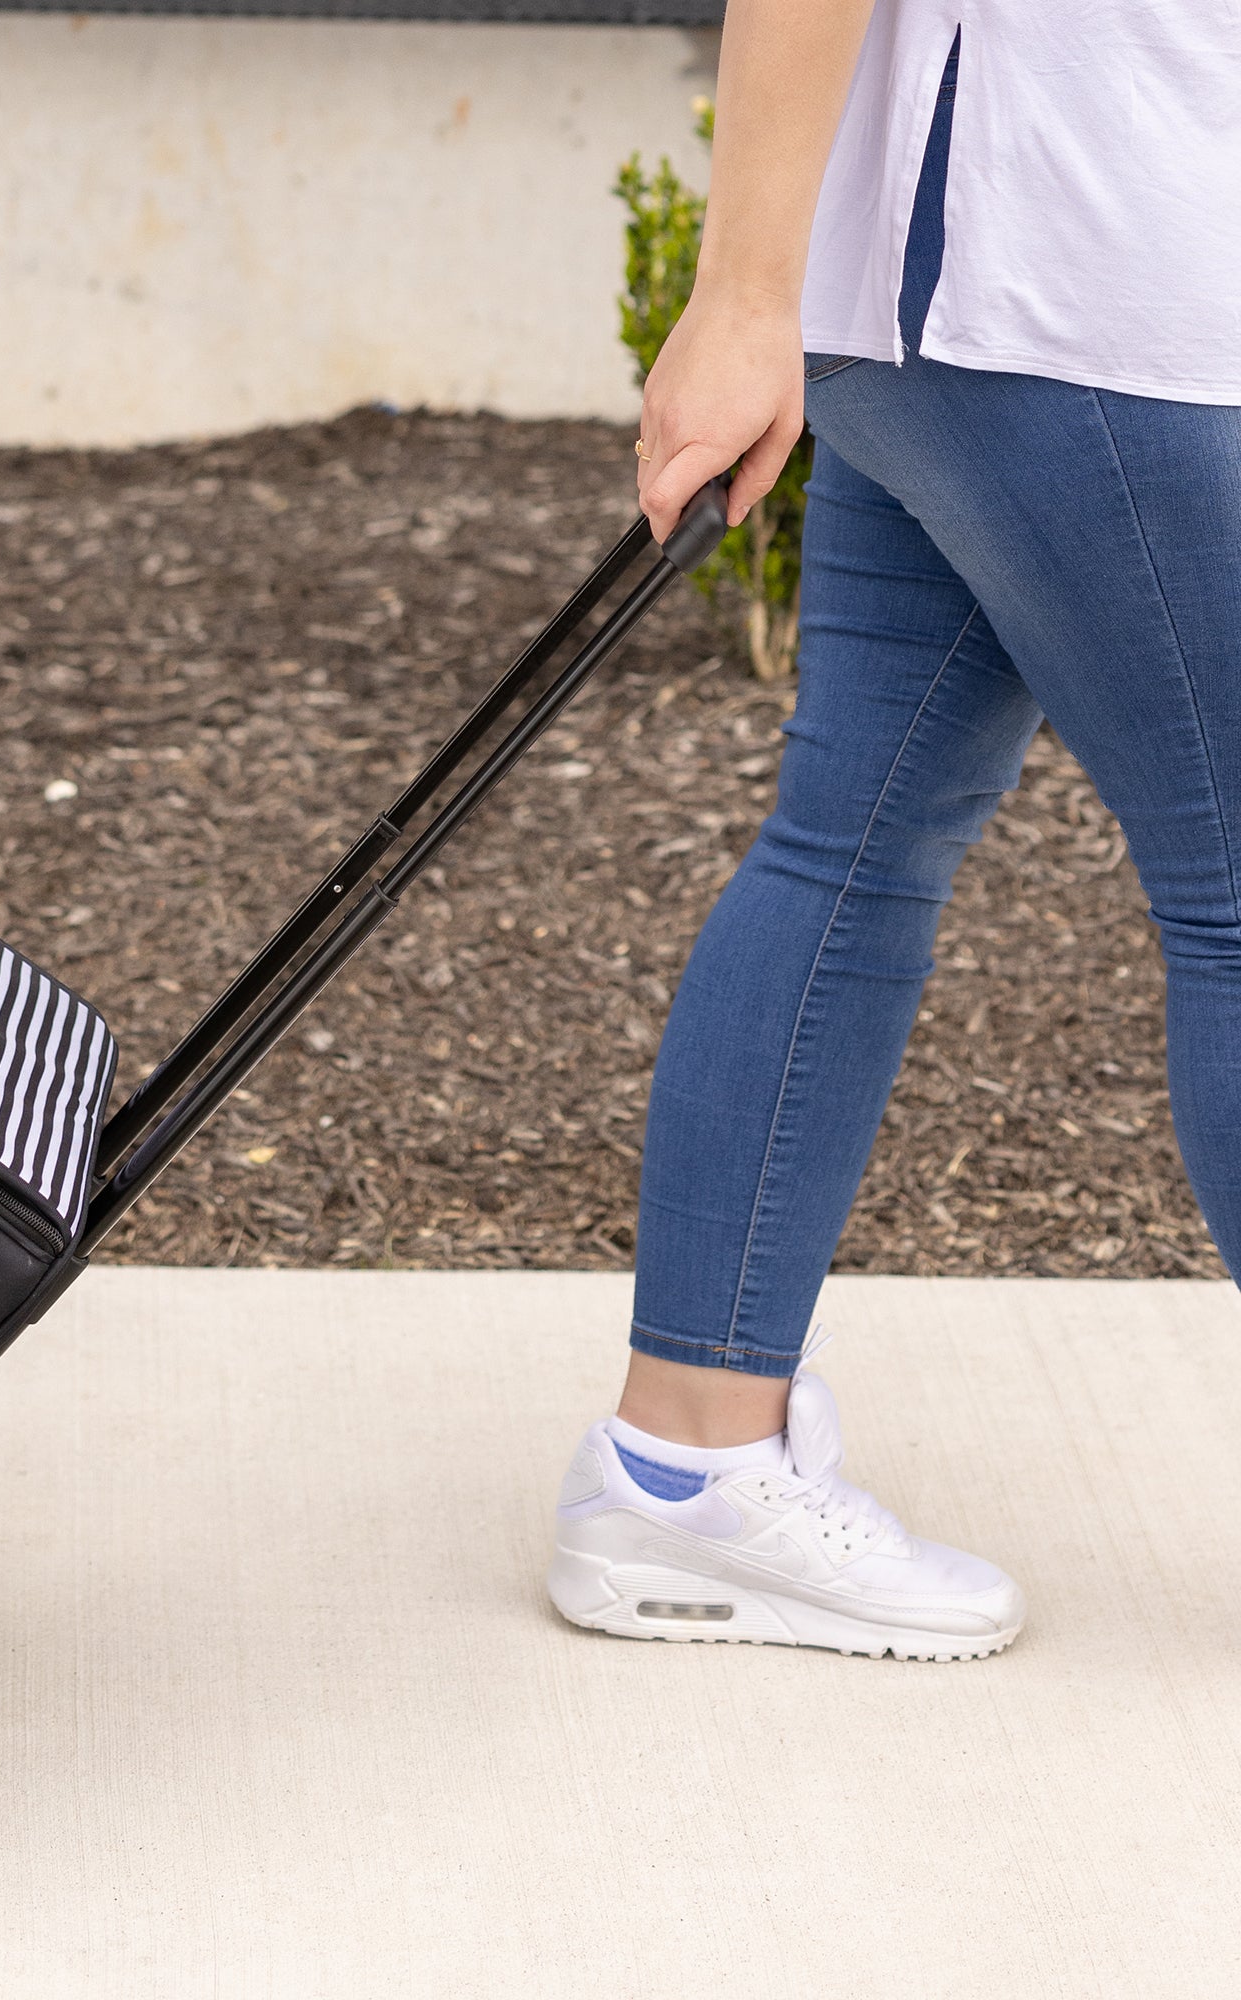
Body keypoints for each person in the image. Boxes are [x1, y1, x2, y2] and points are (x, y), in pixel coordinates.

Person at [550, 0, 1241, 1659]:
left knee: (853, 842)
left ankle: (685, 1464)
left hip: (986, 278)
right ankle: (686, 1462)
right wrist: (739, 298)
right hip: (1059, 279)